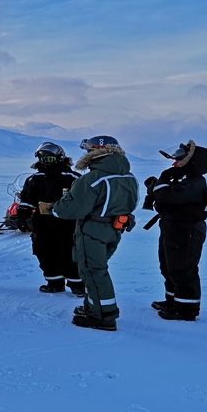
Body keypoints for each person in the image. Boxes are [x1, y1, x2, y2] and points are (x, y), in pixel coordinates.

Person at [40, 136, 138, 331]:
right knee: (97, 269)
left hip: (93, 230)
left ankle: (103, 316)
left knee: (93, 271)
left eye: (87, 151)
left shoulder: (92, 179)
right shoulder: (128, 176)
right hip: (114, 229)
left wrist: (52, 208)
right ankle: (94, 306)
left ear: (95, 152)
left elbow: (71, 209)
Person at [142, 140, 207, 321]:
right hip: (172, 226)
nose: (174, 160)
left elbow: (168, 196)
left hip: (187, 229)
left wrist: (160, 183)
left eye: (179, 156)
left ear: (190, 160)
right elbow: (164, 197)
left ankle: (186, 309)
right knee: (168, 266)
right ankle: (173, 301)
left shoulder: (194, 181)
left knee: (184, 268)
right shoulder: (180, 177)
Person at [18, 142, 84, 296]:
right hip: (42, 223)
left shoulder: (73, 178)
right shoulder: (34, 178)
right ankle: (54, 282)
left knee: (69, 254)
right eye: (43, 158)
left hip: (67, 224)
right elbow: (27, 199)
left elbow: (82, 201)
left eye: (50, 158)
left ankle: (77, 285)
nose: (46, 161)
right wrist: (22, 214)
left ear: (60, 158)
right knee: (44, 252)